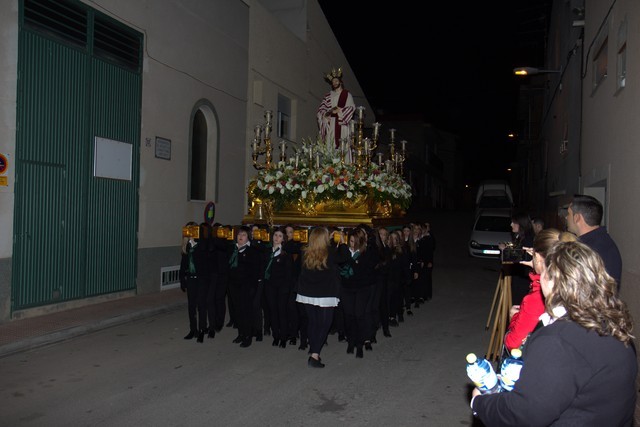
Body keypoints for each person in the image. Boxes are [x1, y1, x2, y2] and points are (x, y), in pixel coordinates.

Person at [471, 240, 637, 426]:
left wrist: (480, 402)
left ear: (553, 281)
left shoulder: (557, 341)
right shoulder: (614, 325)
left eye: (545, 272)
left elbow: (525, 415)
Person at [503, 228, 576, 352]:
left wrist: (514, 317)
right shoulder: (573, 285)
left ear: (537, 256)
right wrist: (538, 266)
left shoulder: (537, 298)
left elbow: (513, 344)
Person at [296, 227, 350, 368]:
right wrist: (343, 242)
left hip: (307, 292)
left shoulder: (305, 251)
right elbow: (345, 257)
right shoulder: (330, 252)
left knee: (313, 322)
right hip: (325, 293)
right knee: (324, 324)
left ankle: (313, 348)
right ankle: (314, 354)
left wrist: (329, 239)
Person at [566, 194, 622, 287]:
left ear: (577, 218)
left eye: (568, 214)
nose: (566, 217)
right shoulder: (605, 243)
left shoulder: (589, 250)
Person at [178, 222, 210, 343]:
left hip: (201, 278)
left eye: (193, 230)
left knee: (201, 305)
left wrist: (196, 240)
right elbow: (183, 263)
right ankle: (193, 330)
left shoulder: (202, 245)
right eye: (189, 230)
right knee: (191, 305)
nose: (191, 232)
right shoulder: (186, 246)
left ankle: (202, 330)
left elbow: (203, 260)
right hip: (191, 278)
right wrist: (182, 278)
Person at [263, 227, 293, 348]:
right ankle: (276, 336)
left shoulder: (285, 254)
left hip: (282, 288)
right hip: (270, 286)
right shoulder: (267, 252)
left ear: (283, 239)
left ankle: (284, 337)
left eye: (280, 236)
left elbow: (289, 274)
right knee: (273, 311)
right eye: (275, 235)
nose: (277, 238)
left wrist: (286, 288)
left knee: (282, 311)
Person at [317, 67, 355, 151]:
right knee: (330, 145)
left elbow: (351, 108)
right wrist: (325, 115)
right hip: (331, 124)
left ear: (340, 82)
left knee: (343, 146)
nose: (334, 83)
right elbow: (321, 109)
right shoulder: (328, 95)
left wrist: (339, 111)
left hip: (341, 124)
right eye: (333, 82)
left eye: (336, 81)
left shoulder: (347, 94)